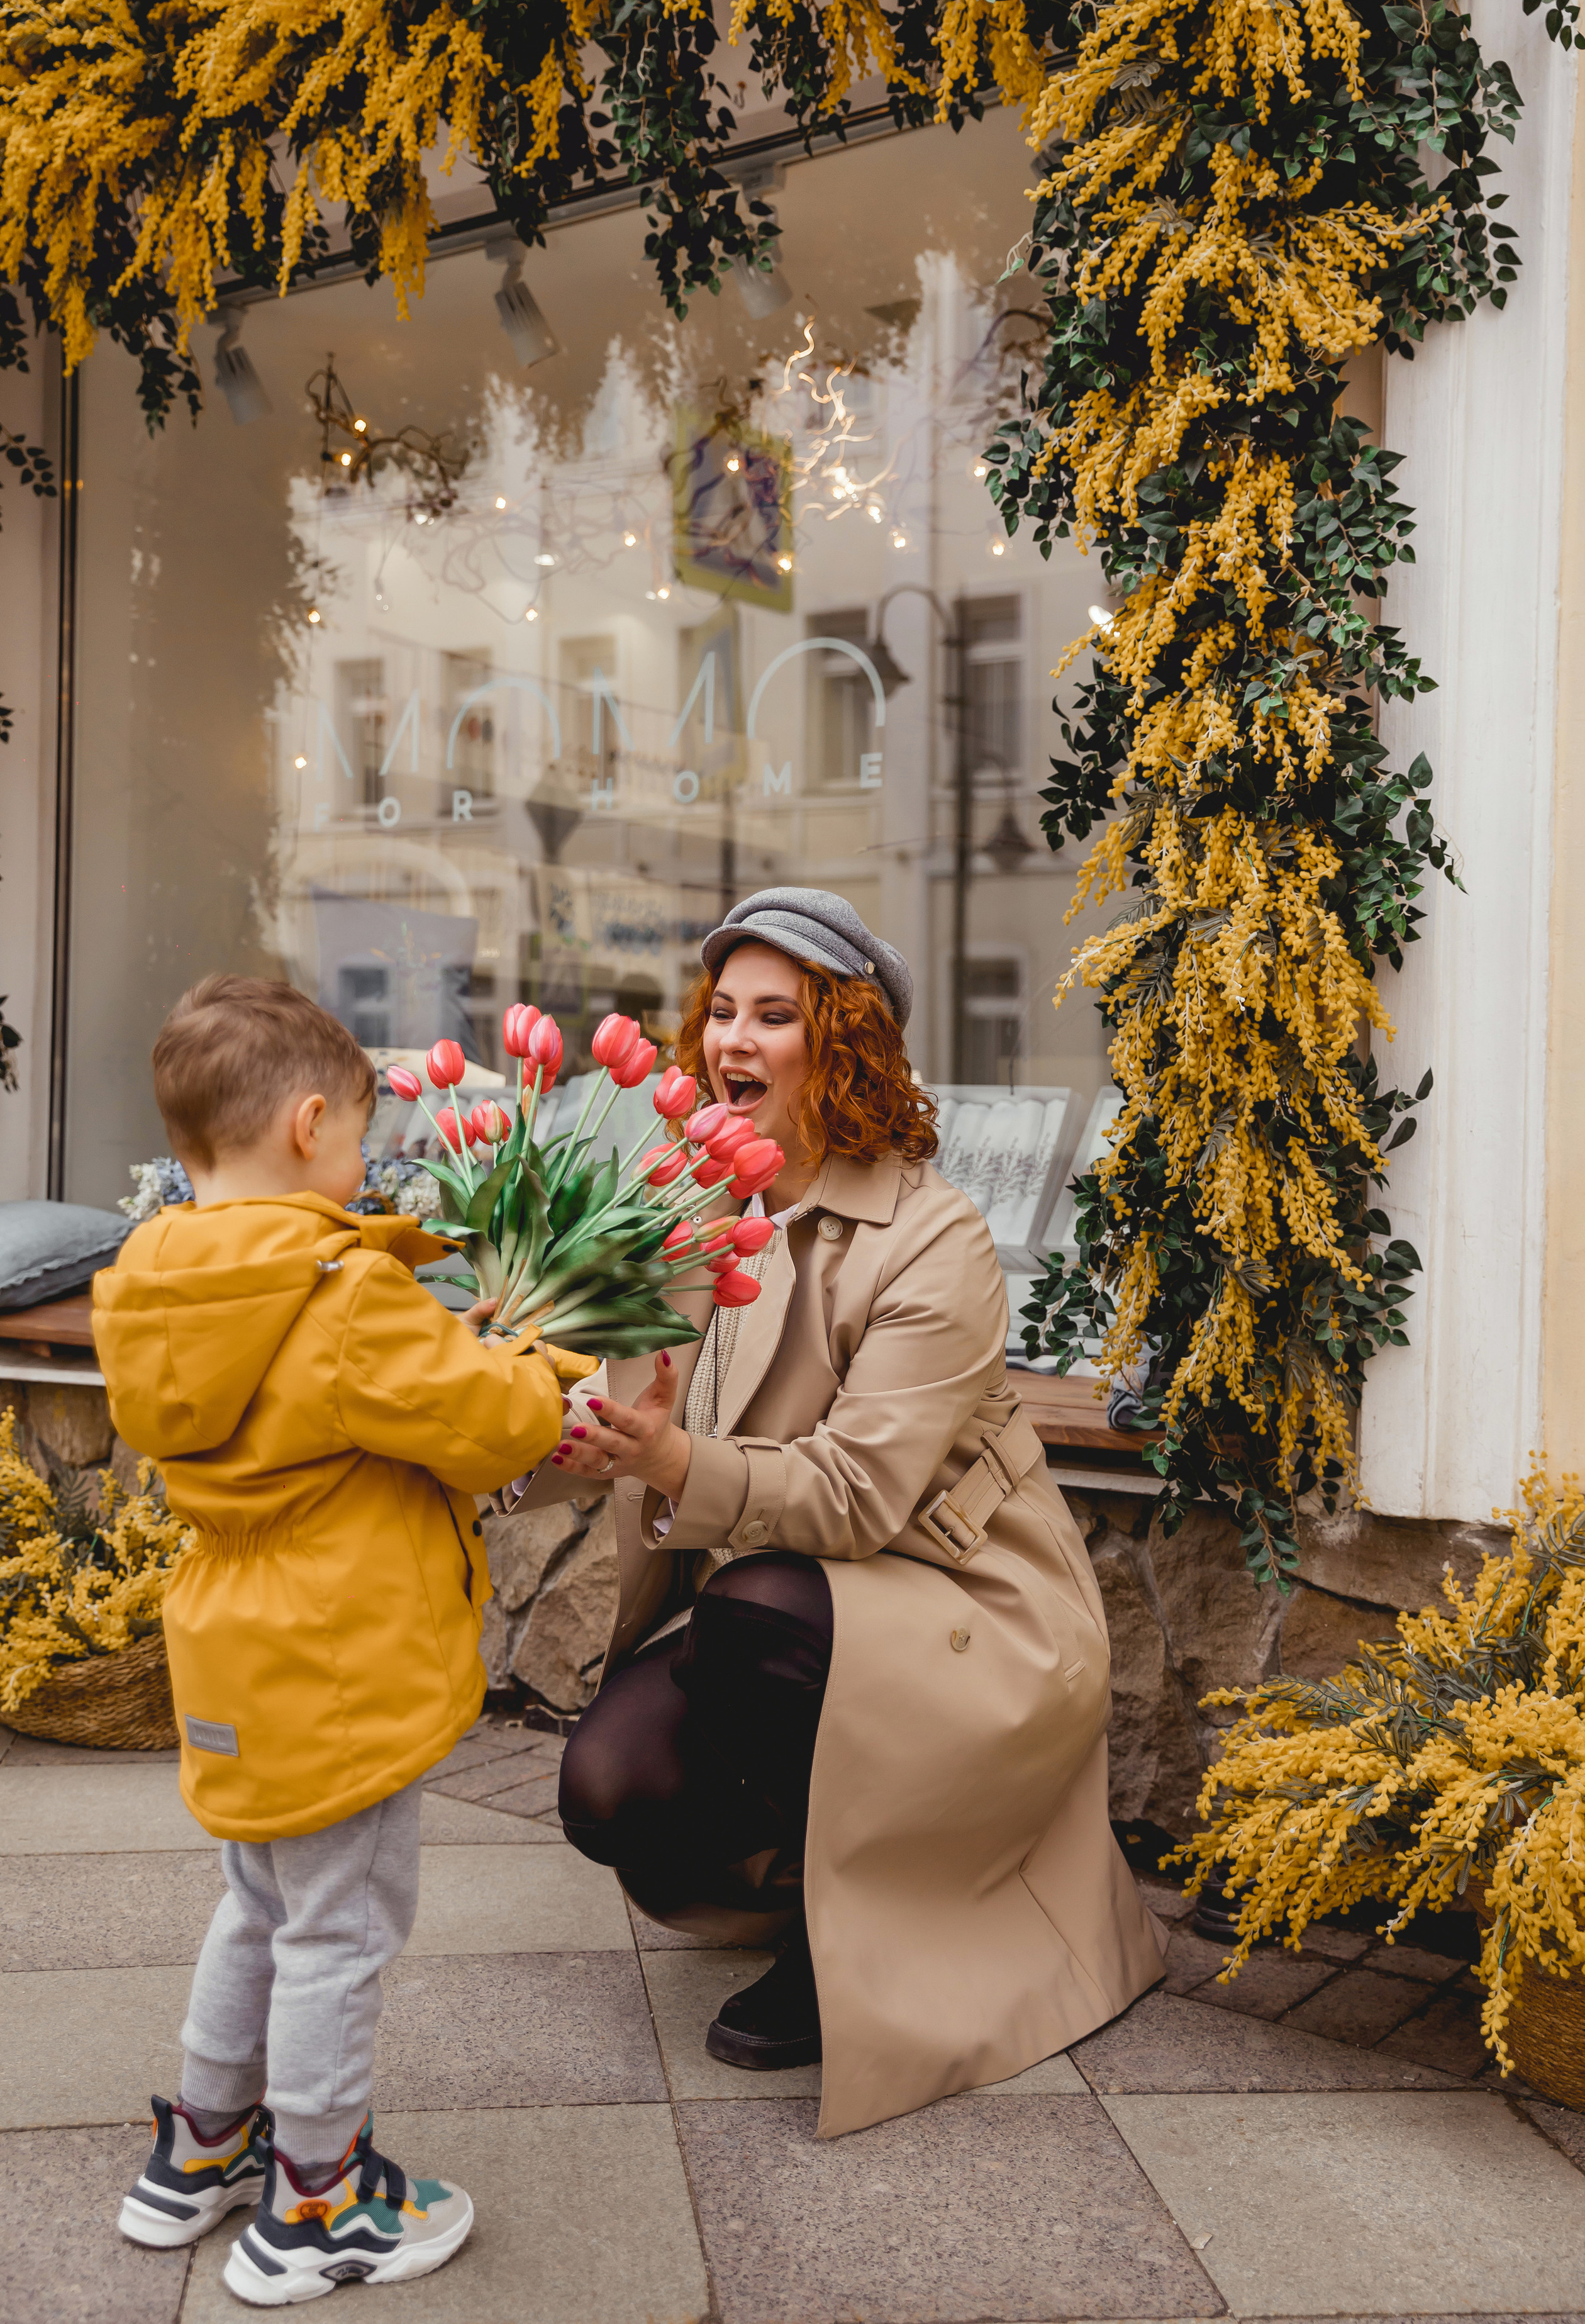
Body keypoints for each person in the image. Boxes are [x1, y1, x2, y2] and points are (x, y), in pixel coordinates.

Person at [522, 888, 1167, 2138]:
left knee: (753, 1613)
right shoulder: (687, 1203)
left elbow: (858, 1494)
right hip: (788, 1607)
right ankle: (844, 1865)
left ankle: (851, 1937)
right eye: (723, 1011)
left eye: (775, 1015)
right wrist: (486, 1426)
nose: (733, 1040)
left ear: (846, 1042)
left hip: (960, 1613)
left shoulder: (932, 1240)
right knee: (610, 1789)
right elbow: (608, 1398)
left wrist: (672, 1463)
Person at [92, 976, 588, 2305]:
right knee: (340, 1930)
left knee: (260, 1904)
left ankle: (202, 2149)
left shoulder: (157, 1285)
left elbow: (319, 1409)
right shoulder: (339, 1296)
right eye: (363, 1135)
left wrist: (439, 1348)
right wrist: (546, 1365)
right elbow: (494, 1424)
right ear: (309, 1125)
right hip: (339, 1667)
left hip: (232, 1655)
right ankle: (318, 2201)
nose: (367, 1164)